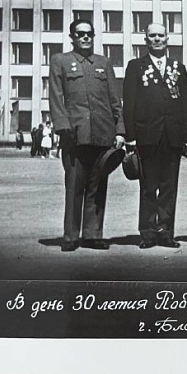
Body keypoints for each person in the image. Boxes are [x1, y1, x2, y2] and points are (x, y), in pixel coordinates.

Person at [49, 19, 125, 251]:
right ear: (72, 37)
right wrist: (63, 127)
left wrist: (120, 130)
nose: (85, 37)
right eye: (80, 34)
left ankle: (93, 234)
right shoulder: (60, 61)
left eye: (89, 34)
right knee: (74, 186)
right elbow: (56, 97)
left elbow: (115, 99)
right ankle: (71, 236)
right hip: (75, 135)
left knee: (97, 185)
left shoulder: (103, 63)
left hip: (102, 133)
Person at [123, 23, 187, 249]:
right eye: (152, 35)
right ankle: (148, 234)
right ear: (146, 40)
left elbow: (185, 104)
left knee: (169, 188)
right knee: (148, 187)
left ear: (167, 39)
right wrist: (130, 137)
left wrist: (186, 138)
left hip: (172, 137)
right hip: (147, 137)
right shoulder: (136, 66)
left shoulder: (178, 67)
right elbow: (129, 103)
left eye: (161, 35)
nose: (157, 39)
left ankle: (166, 233)